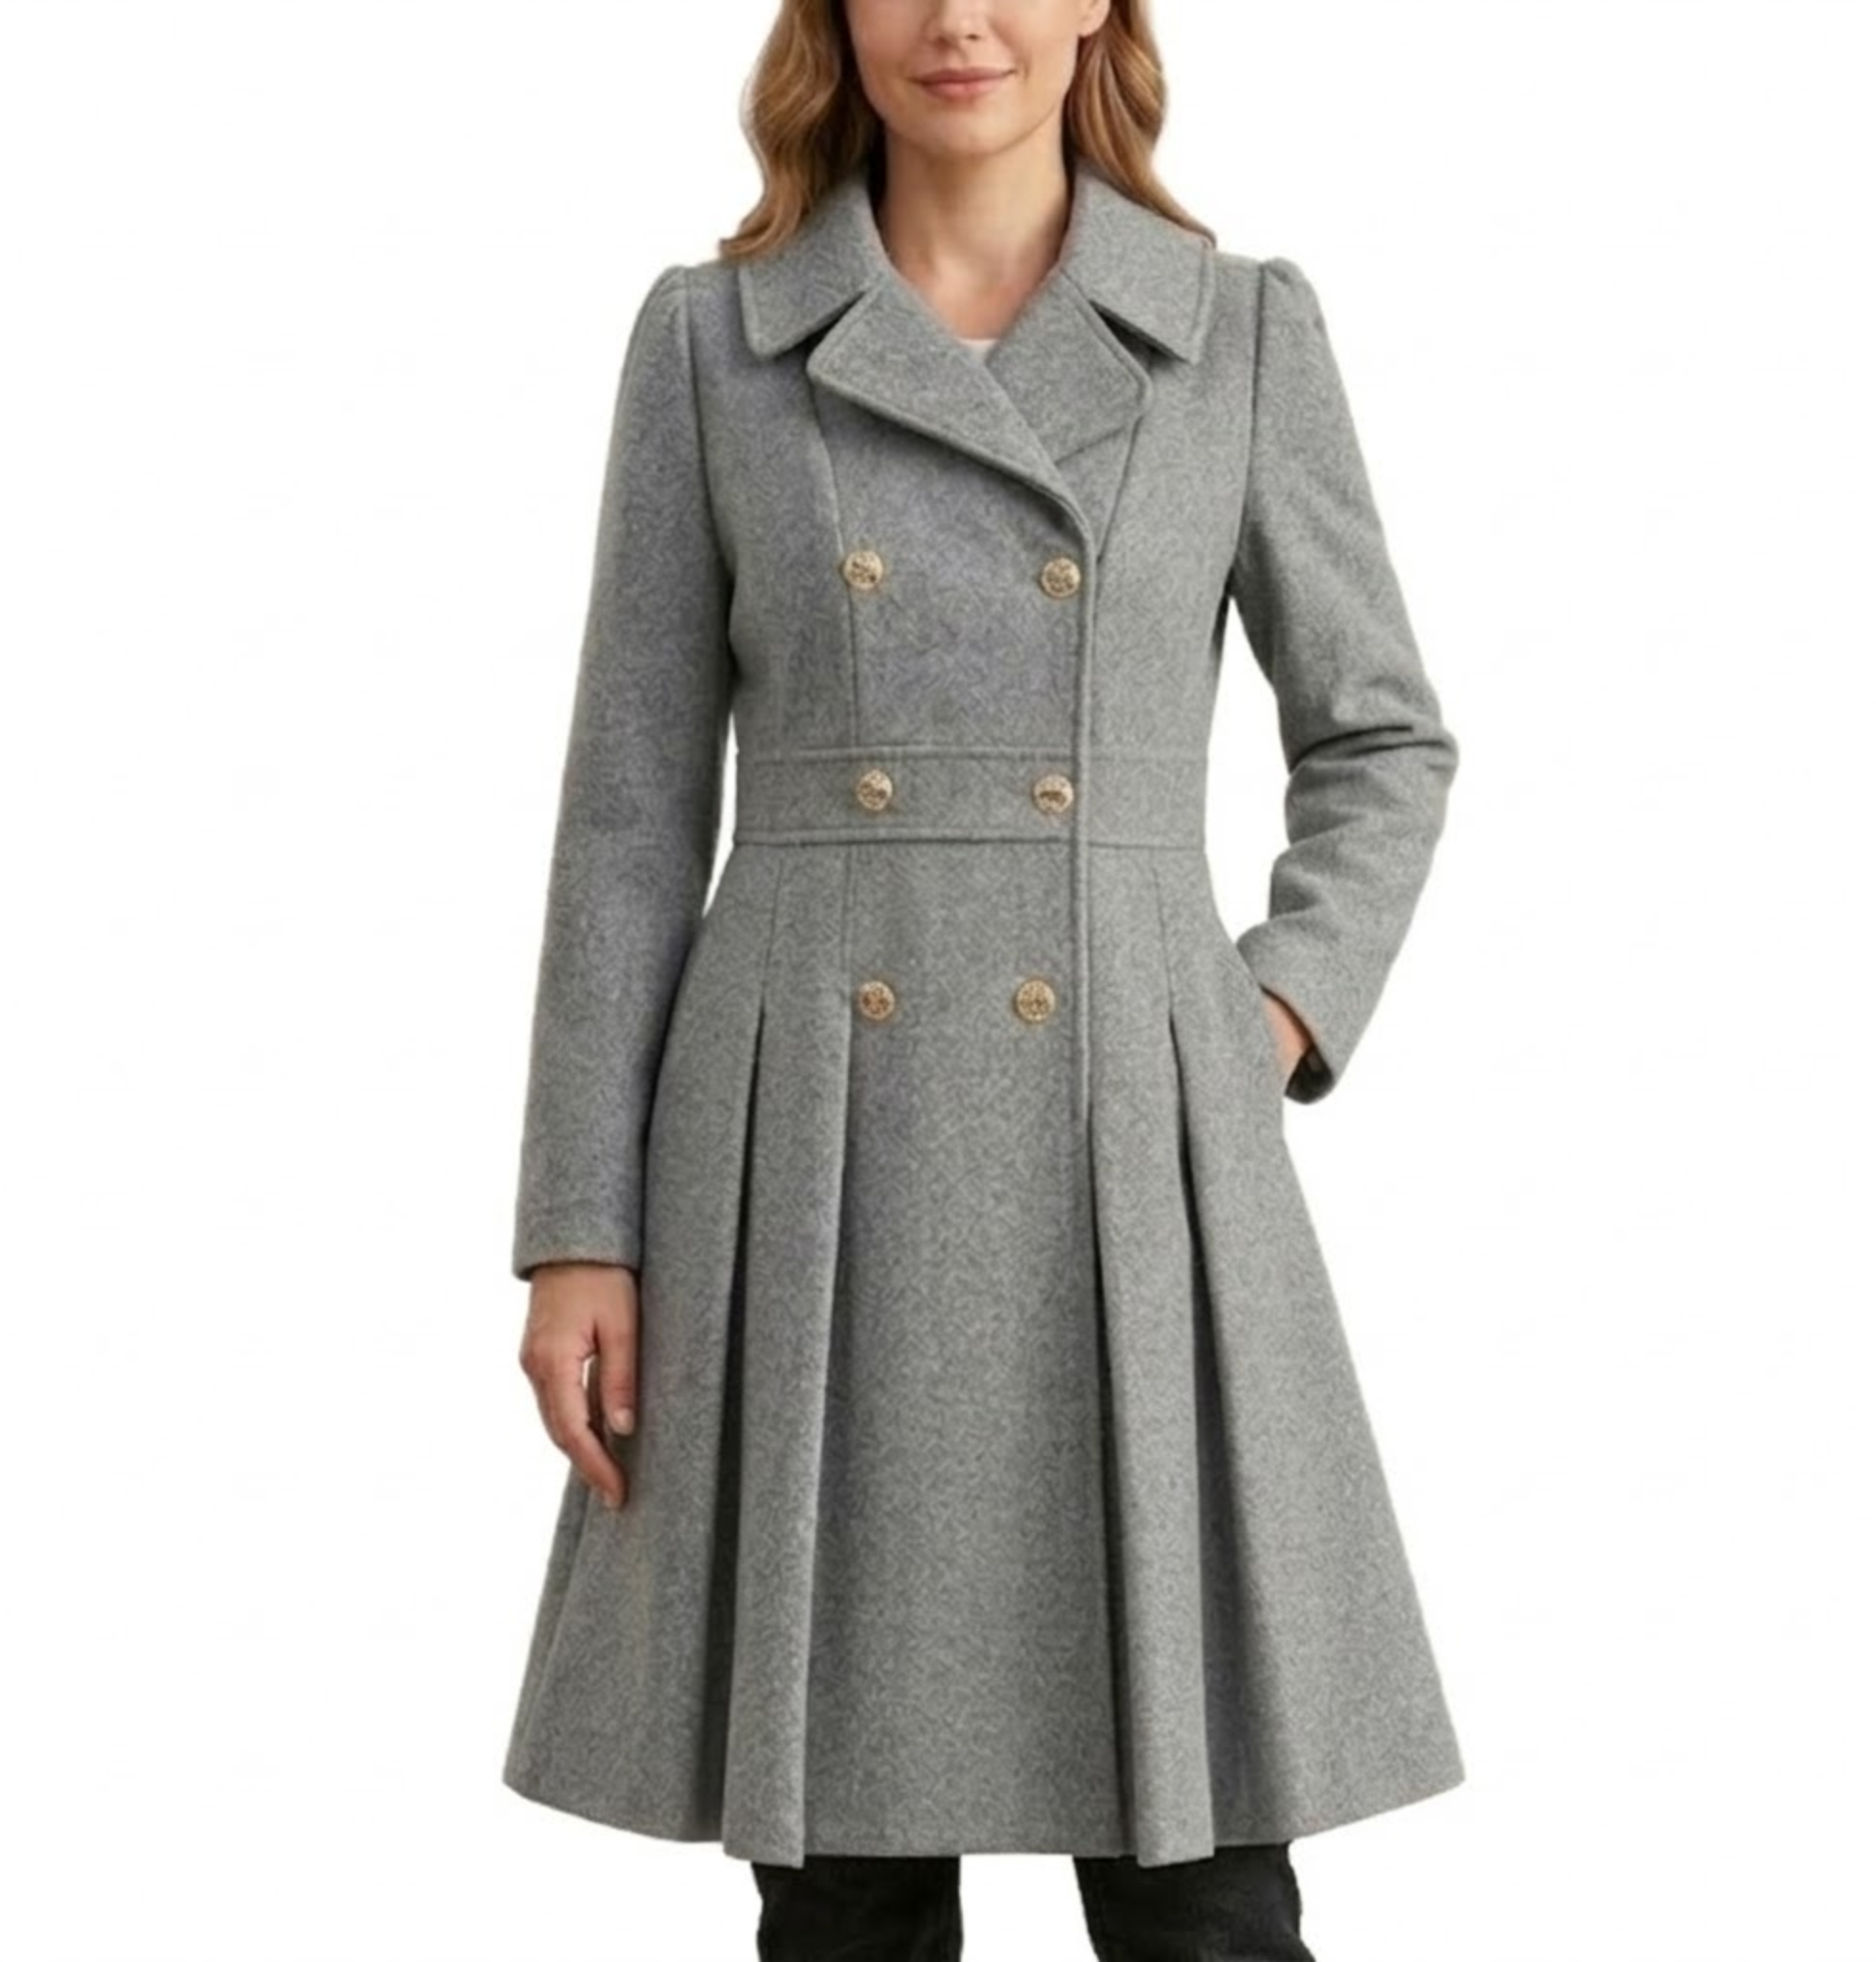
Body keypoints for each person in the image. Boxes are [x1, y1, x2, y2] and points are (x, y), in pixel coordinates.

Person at [502, 1, 1465, 1954]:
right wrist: (579, 1229)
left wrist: (1266, 1013)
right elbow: (628, 809)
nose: (961, 19)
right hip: (811, 1154)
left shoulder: (1234, 332)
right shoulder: (714, 343)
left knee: (1204, 1885)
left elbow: (1380, 737)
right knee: (842, 1883)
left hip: (1130, 1144)